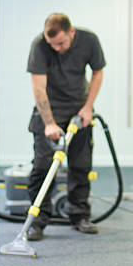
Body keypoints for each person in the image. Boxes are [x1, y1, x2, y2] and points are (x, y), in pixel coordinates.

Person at [26, 13, 106, 240]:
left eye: (61, 43)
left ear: (71, 32)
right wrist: (49, 123)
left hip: (79, 110)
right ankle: (37, 221)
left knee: (80, 165)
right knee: (42, 166)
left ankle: (80, 215)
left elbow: (98, 72)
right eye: (53, 44)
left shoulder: (89, 40)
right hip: (48, 111)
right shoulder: (40, 46)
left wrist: (88, 107)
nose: (57, 48)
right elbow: (39, 89)